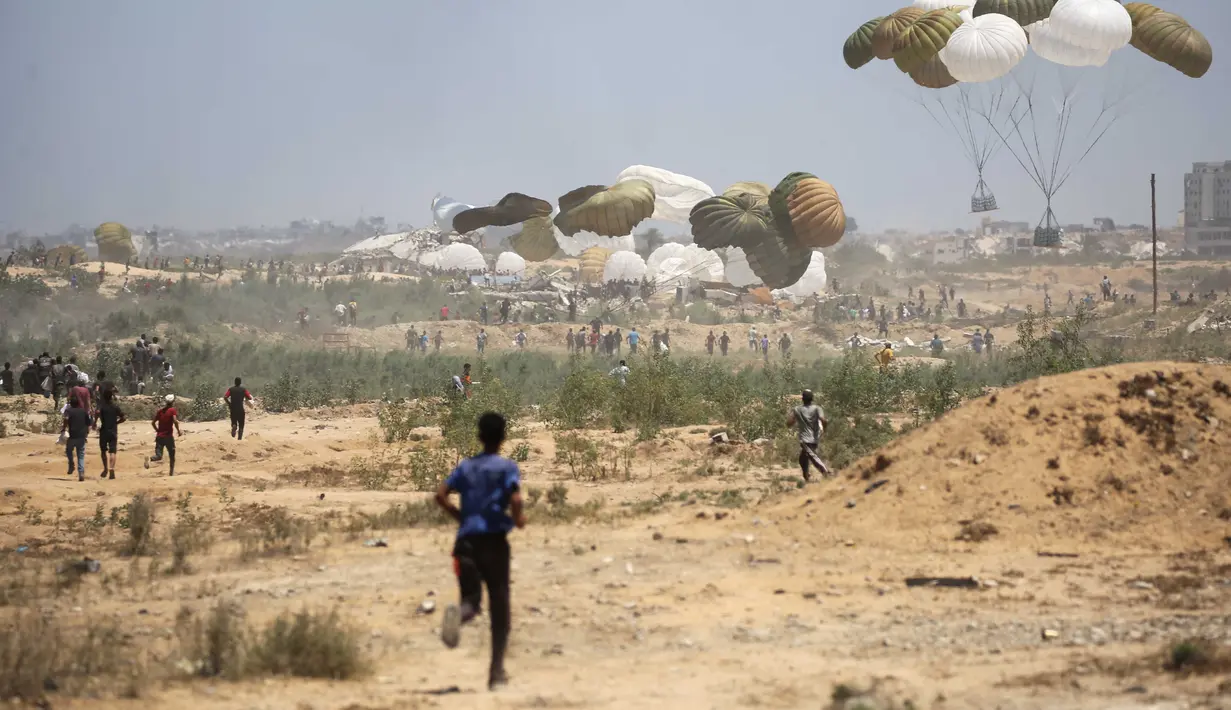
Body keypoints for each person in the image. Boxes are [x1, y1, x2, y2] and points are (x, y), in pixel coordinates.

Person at [435, 412, 525, 691]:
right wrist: (518, 519)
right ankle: (496, 673)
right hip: (495, 543)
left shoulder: (466, 467)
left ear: (479, 436)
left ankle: (459, 614)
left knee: (472, 602)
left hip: (466, 543)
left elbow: (440, 494)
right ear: (503, 437)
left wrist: (459, 516)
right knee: (500, 607)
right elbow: (516, 498)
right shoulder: (506, 467)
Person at [786, 389, 830, 482]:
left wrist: (794, 420)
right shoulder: (817, 408)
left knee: (812, 456)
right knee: (802, 459)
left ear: (802, 399)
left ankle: (825, 472)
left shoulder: (797, 409)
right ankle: (806, 476)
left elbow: (789, 423)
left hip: (805, 439)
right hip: (815, 438)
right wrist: (824, 429)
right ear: (812, 399)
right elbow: (823, 420)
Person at [96, 389, 126, 479]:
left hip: (104, 430)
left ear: (104, 397)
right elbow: (124, 417)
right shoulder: (115, 407)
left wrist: (94, 423)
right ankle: (111, 468)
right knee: (112, 451)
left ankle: (105, 468)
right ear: (111, 397)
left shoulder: (102, 407)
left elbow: (97, 414)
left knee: (103, 451)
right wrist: (117, 422)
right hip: (113, 431)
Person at [149, 394, 181, 476]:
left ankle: (150, 459)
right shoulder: (172, 410)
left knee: (159, 456)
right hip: (168, 437)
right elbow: (175, 421)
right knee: (172, 455)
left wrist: (157, 431)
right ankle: (171, 473)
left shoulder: (160, 411)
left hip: (159, 437)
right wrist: (178, 430)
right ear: (173, 402)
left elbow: (153, 423)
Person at [61, 398, 92, 481]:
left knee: (68, 450)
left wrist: (64, 428)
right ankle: (81, 473)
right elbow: (89, 424)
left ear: (70, 403)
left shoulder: (68, 411)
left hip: (72, 436)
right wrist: (86, 434)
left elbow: (66, 419)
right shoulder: (83, 411)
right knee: (81, 455)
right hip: (82, 436)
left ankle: (71, 462)